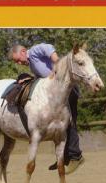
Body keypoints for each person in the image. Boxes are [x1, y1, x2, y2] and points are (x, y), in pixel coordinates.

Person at [8, 42, 84, 174]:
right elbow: (43, 78)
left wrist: (57, 62)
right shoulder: (32, 63)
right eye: (17, 63)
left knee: (68, 122)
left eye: (18, 60)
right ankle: (64, 158)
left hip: (65, 90)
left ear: (23, 52)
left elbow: (47, 47)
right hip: (56, 93)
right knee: (58, 126)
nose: (19, 64)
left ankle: (76, 156)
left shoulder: (34, 52)